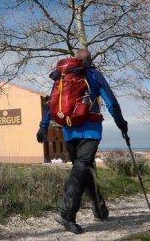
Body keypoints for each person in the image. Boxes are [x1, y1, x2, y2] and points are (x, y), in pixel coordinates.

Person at [36, 49, 128, 234]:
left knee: (84, 169)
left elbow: (50, 104)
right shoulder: (94, 74)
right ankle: (66, 213)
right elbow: (111, 101)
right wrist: (121, 124)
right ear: (90, 60)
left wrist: (43, 127)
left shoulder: (61, 77)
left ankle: (99, 210)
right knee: (82, 168)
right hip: (90, 130)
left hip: (68, 132)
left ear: (75, 60)